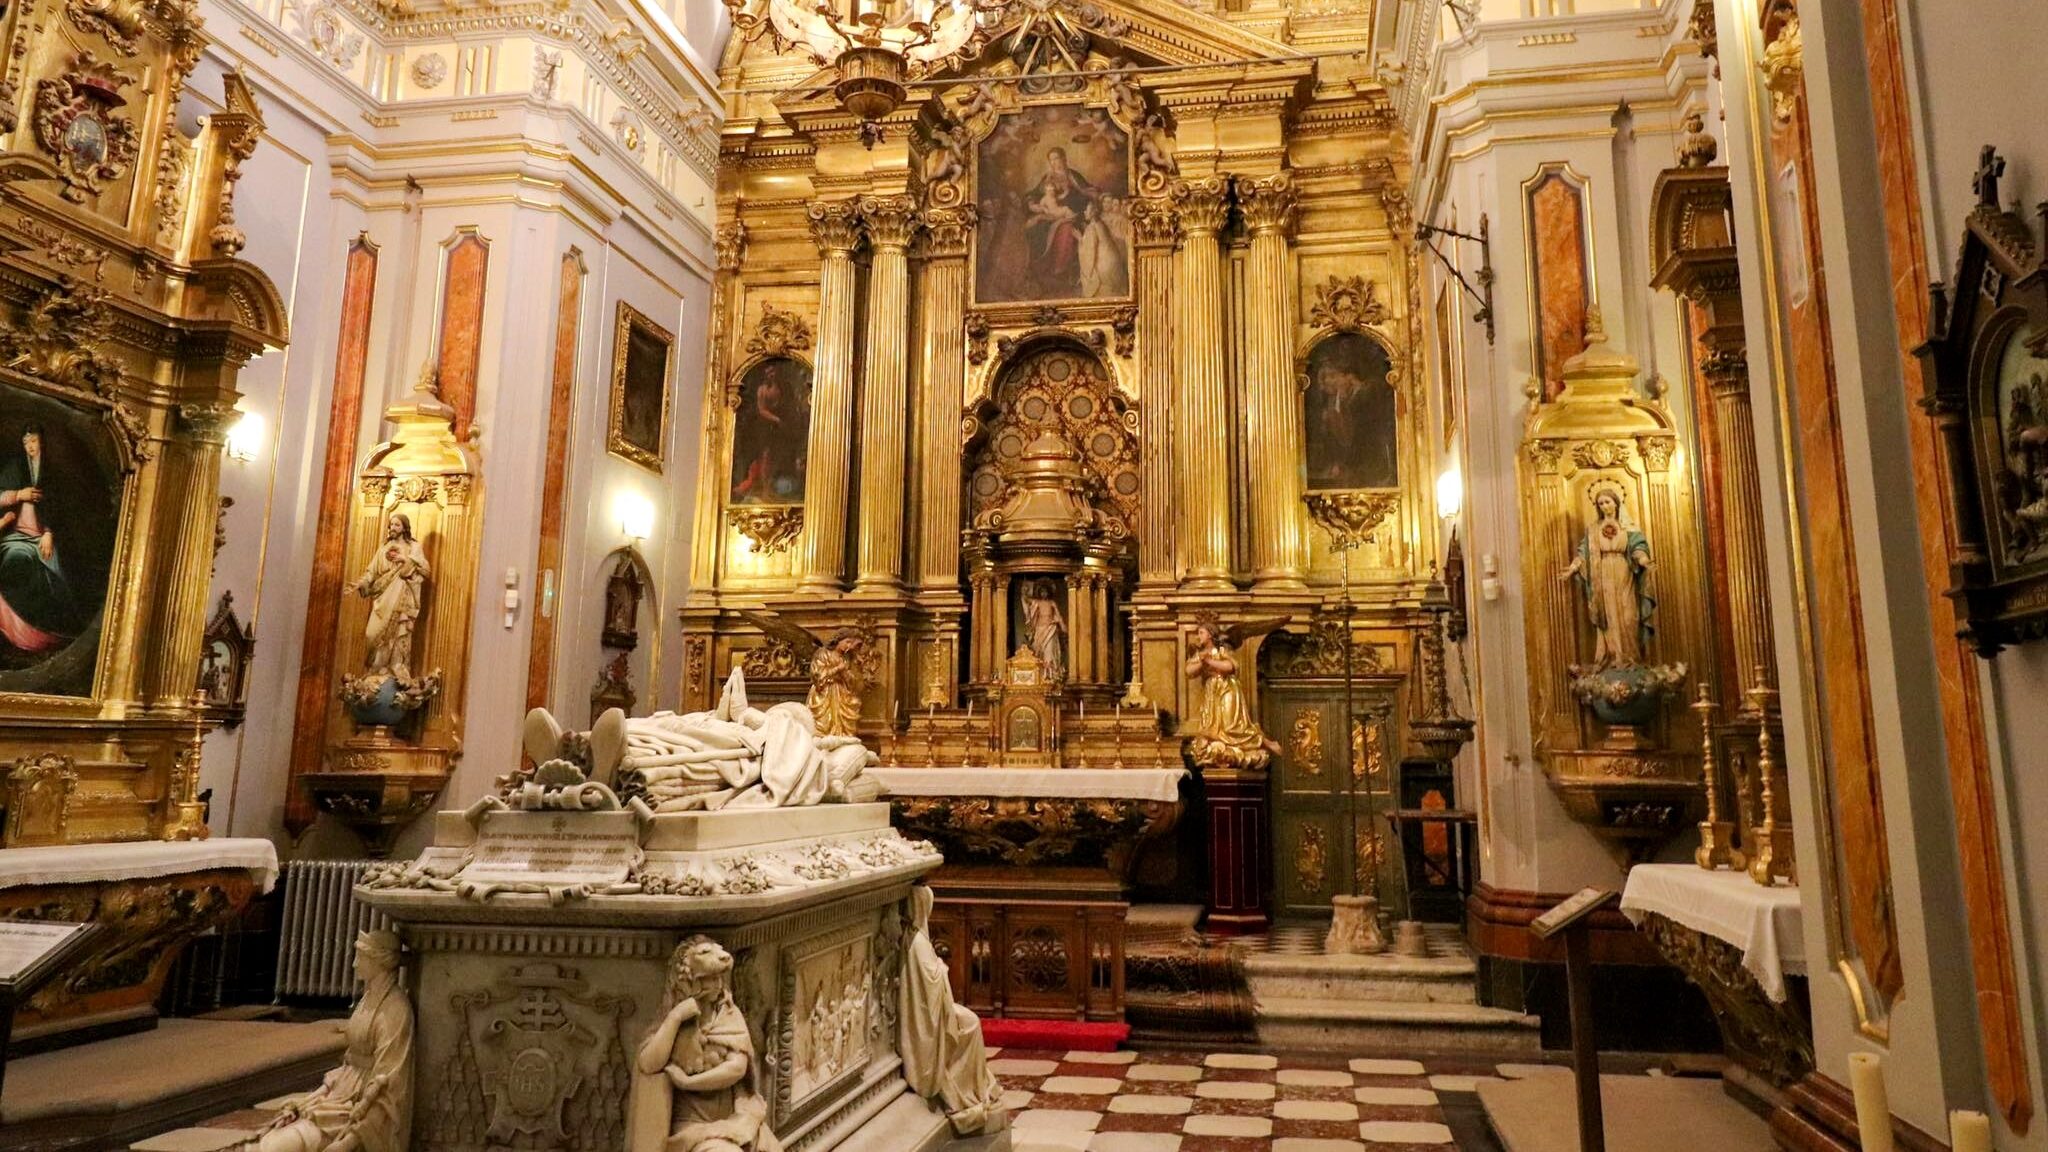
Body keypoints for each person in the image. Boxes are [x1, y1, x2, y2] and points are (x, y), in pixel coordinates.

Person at [249, 931, 413, 1152]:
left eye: (361, 957)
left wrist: (349, 1142)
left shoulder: (395, 1010)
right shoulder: (367, 1000)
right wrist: (313, 1097)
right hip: (339, 1097)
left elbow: (389, 1087)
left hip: (359, 1110)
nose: (355, 965)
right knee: (272, 1137)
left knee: (281, 1146)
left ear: (380, 961)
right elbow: (349, 1066)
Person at [632, 938, 780, 1152]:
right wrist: (676, 1017)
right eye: (709, 978)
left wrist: (688, 1082)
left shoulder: (728, 1015)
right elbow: (648, 1063)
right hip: (691, 1127)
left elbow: (736, 1069)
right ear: (687, 978)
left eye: (719, 978)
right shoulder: (673, 1020)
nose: (717, 984)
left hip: (734, 1120)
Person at [900, 885, 1003, 1135]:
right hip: (930, 1017)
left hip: (936, 1009)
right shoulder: (916, 942)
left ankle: (974, 1085)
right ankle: (966, 1089)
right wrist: (942, 969)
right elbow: (929, 985)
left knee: (972, 1021)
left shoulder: (918, 938)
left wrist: (939, 969)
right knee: (972, 1022)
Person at [0, 423, 78, 655]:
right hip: (15, 535)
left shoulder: (52, 472)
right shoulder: (15, 467)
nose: (29, 446)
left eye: (33, 441)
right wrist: (17, 495)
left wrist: (49, 533)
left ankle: (43, 629)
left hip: (43, 536)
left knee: (51, 570)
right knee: (15, 557)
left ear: (41, 442)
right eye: (25, 442)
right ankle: (16, 629)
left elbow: (62, 507)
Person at [1559, 483, 1656, 668]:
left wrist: (1643, 560)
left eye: (1607, 502)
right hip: (1602, 575)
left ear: (1616, 503)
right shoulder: (1594, 529)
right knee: (1609, 616)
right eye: (1600, 503)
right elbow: (1584, 553)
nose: (1604, 506)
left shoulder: (1627, 526)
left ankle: (1631, 658)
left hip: (1623, 572)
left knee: (1629, 615)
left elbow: (1638, 547)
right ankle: (1614, 659)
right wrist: (1573, 568)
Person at [1304, 350, 1398, 490]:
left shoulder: (1366, 394)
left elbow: (1359, 437)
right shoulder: (1337, 400)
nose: (1329, 382)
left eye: (1333, 376)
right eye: (1325, 378)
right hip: (1352, 467)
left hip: (1372, 466)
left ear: (1349, 376)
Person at [354, 513, 429, 681]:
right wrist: (361, 583)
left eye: (396, 525)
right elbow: (371, 571)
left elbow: (424, 570)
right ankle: (375, 669)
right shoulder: (383, 548)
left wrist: (405, 559)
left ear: (404, 527)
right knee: (371, 634)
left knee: (396, 634)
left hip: (401, 597)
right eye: (391, 525)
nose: (392, 528)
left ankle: (391, 669)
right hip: (383, 599)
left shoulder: (413, 547)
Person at [1020, 147, 1098, 298]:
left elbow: (1085, 193)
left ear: (1064, 158)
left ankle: (1061, 271)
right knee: (1034, 228)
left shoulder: (1073, 176)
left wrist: (1073, 205)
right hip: (1050, 216)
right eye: (1052, 159)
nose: (1055, 162)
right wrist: (1031, 203)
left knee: (1066, 229)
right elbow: (1035, 195)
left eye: (1057, 158)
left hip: (1072, 215)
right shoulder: (1047, 178)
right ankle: (1041, 270)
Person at [729, 364, 808, 504]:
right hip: (765, 427)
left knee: (777, 456)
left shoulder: (782, 388)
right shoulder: (762, 390)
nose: (771, 375)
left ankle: (774, 487)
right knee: (765, 456)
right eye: (769, 373)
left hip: (779, 428)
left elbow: (787, 404)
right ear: (765, 375)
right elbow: (762, 410)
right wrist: (776, 419)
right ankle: (765, 488)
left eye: (773, 372)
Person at [1020, 579, 1066, 683]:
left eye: (1045, 591)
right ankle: (1040, 675)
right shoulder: (1036, 602)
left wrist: (1062, 624)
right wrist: (1024, 590)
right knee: (1038, 652)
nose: (1044, 594)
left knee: (1049, 651)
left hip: (1050, 628)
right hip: (1039, 629)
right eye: (1042, 592)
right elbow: (1027, 601)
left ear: (1049, 592)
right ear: (1039, 593)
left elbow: (1058, 615)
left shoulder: (1052, 603)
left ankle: (1051, 675)